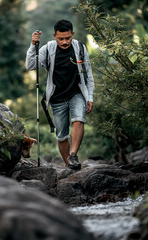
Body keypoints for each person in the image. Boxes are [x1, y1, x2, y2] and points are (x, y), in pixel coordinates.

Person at [26, 19, 95, 170]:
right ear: (54, 36)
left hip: (77, 93)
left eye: (68, 38)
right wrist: (33, 45)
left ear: (73, 34)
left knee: (78, 119)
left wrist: (89, 97)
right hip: (57, 97)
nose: (64, 42)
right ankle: (68, 164)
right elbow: (31, 65)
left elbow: (88, 75)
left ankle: (73, 155)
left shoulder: (80, 48)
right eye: (61, 38)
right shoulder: (48, 49)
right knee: (62, 136)